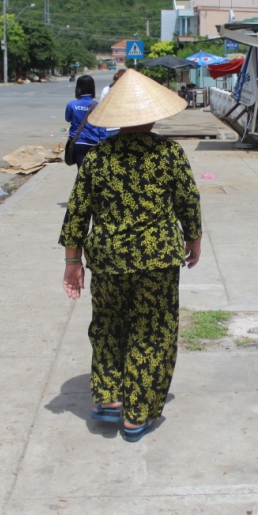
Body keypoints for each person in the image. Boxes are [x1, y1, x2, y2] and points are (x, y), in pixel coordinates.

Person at [60, 69, 202, 442]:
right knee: (152, 332)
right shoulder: (169, 153)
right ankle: (137, 415)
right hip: (158, 260)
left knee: (108, 324)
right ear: (153, 114)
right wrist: (194, 239)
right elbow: (188, 201)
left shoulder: (98, 157)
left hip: (108, 260)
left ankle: (110, 397)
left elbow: (77, 212)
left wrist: (72, 262)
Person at [64, 75, 110, 168]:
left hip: (78, 142)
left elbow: (68, 118)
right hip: (93, 143)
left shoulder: (71, 105)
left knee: (81, 170)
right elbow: (102, 128)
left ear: (78, 88)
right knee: (93, 170)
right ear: (93, 88)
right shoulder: (98, 106)